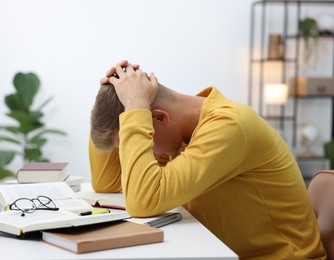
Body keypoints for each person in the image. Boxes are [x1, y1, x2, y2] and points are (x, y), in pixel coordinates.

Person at [88, 60, 326, 259]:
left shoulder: (228, 126)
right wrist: (110, 96)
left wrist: (135, 107)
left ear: (159, 118)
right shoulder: (181, 136)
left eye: (140, 133)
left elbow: (143, 201)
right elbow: (107, 182)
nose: (144, 148)